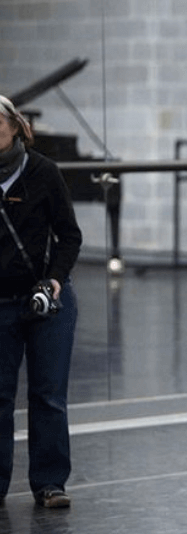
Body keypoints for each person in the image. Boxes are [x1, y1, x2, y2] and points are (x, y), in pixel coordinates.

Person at [0, 94, 82, 508]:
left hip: (47, 300)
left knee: (48, 395)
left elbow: (70, 236)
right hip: (0, 303)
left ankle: (50, 484)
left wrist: (53, 280)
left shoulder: (43, 173)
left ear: (16, 127)